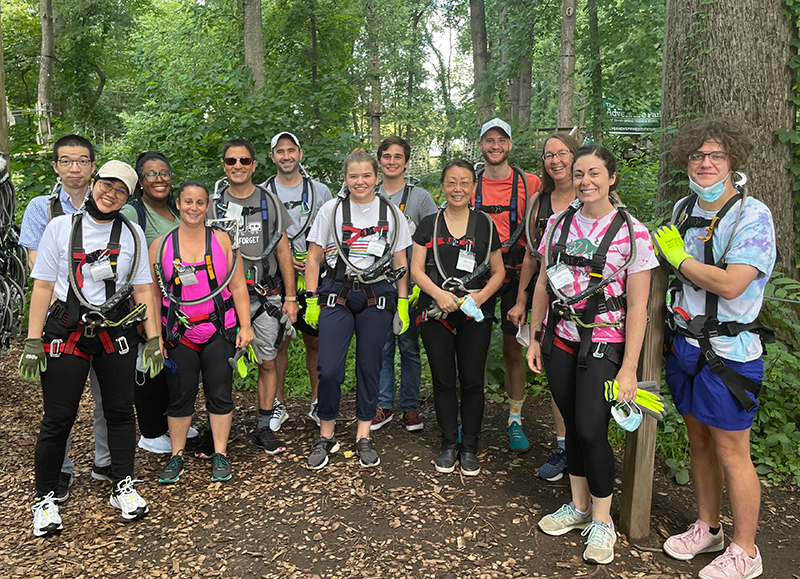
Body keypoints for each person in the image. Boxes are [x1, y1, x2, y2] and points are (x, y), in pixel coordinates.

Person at [526, 145, 657, 564]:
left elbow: (638, 306)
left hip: (604, 344)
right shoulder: (558, 225)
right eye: (579, 173)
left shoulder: (631, 233)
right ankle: (580, 506)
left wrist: (630, 368)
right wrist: (534, 336)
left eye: (595, 173)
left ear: (611, 178)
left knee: (590, 427)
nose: (585, 181)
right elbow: (544, 285)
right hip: (559, 338)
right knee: (571, 424)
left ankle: (603, 520)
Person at [656, 120, 775, 579]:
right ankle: (708, 528)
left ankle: (746, 549)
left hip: (729, 350)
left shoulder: (753, 216)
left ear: (733, 163)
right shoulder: (685, 208)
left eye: (716, 156)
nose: (706, 164)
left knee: (732, 450)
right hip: (684, 343)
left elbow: (731, 284)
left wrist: (679, 258)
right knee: (698, 440)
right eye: (698, 156)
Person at [20, 160, 164, 537]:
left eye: (121, 190)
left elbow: (143, 290)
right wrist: (33, 339)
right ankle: (45, 498)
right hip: (66, 331)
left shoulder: (132, 233)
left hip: (114, 334)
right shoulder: (61, 229)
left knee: (120, 411)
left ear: (128, 197)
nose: (110, 193)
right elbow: (43, 286)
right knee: (58, 417)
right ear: (95, 182)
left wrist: (153, 339)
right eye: (107, 184)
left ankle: (122, 485)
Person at [302, 149, 411, 470]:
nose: (360, 182)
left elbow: (401, 262)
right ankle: (326, 434)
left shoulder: (391, 214)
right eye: (353, 176)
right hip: (337, 293)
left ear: (377, 178)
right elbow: (313, 257)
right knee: (330, 369)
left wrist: (402, 303)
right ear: (345, 179)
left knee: (369, 365)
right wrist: (310, 298)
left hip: (378, 296)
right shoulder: (331, 210)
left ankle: (364, 435)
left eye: (366, 176)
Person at [18, 134, 113, 499]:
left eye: (83, 161)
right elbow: (36, 265)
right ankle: (60, 468)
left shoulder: (108, 201)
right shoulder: (41, 209)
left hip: (106, 315)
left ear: (93, 166)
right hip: (60, 315)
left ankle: (105, 460)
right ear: (56, 166)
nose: (75, 168)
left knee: (109, 393)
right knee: (61, 400)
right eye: (67, 161)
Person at [150, 182, 253, 484]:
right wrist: (155, 335)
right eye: (187, 202)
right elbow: (153, 294)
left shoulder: (223, 242)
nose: (193, 208)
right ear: (178, 204)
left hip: (219, 328)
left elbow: (237, 287)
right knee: (180, 395)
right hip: (179, 330)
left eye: (199, 203)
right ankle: (176, 455)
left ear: (207, 207)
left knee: (219, 392)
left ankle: (220, 453)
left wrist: (245, 326)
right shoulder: (161, 245)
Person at [410, 160, 504, 475]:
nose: (458, 189)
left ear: (474, 187)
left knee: (473, 380)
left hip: (475, 312)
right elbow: (416, 270)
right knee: (443, 379)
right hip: (437, 310)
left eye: (464, 182)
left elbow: (498, 271)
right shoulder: (428, 224)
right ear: (442, 186)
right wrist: (439, 294)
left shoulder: (485, 225)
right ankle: (449, 443)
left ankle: (470, 447)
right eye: (451, 182)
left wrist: (478, 296)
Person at [207, 139, 298, 455]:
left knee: (268, 362)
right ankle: (218, 429)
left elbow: (284, 249)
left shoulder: (269, 201)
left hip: (265, 295)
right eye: (231, 161)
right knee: (219, 365)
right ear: (224, 165)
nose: (238, 166)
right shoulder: (212, 204)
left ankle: (263, 425)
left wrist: (291, 297)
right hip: (225, 298)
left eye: (244, 160)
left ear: (254, 165)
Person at [508, 133, 580, 481]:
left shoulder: (596, 192)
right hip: (550, 299)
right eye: (549, 155)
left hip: (596, 307)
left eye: (562, 153)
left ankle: (588, 448)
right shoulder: (539, 201)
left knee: (591, 377)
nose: (555, 161)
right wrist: (522, 299)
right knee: (559, 376)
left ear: (574, 156)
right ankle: (565, 446)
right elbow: (531, 253)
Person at [120, 152, 197, 455]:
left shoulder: (178, 214)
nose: (159, 179)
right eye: (151, 174)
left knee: (173, 363)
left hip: (178, 305)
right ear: (141, 181)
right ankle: (151, 431)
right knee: (150, 363)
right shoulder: (132, 213)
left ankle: (173, 420)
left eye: (163, 173)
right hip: (146, 300)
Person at [473, 118, 541, 453]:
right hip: (479, 276)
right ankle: (471, 415)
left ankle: (515, 418)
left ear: (510, 144)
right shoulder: (470, 185)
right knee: (476, 346)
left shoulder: (531, 184)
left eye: (501, 139)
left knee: (514, 347)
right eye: (489, 140)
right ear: (481, 145)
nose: (495, 145)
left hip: (518, 276)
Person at [266, 132, 332, 430]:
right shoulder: (262, 192)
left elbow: (334, 231)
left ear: (300, 154)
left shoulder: (320, 192)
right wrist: (285, 257)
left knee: (315, 340)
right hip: (274, 277)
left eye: (291, 150)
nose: (286, 156)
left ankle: (318, 402)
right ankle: (277, 403)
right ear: (272, 157)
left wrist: (314, 258)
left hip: (314, 276)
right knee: (276, 342)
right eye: (280, 151)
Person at [374, 136, 438, 432]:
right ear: (379, 161)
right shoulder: (368, 194)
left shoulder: (419, 197)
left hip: (411, 286)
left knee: (409, 346)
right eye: (386, 156)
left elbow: (435, 238)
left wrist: (422, 282)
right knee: (382, 345)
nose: (391, 161)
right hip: (376, 284)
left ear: (406, 162)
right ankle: (384, 404)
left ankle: (410, 407)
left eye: (398, 156)